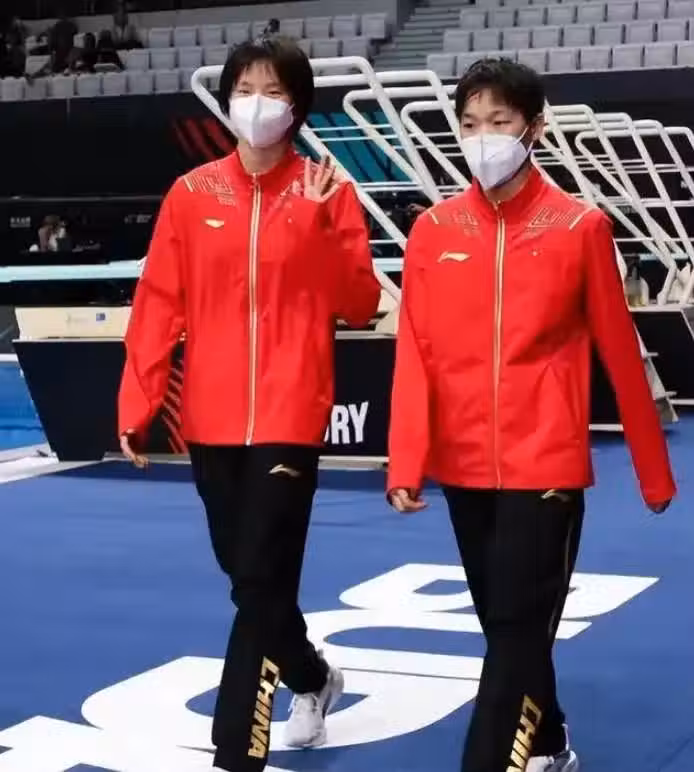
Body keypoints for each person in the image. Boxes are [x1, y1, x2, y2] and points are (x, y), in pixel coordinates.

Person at [386, 57, 676, 772]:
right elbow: (416, 353)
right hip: (463, 465)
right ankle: (548, 743)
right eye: (470, 124)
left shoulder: (580, 227)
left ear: (534, 128)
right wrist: (406, 459)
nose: (483, 138)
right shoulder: (433, 230)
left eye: (500, 122)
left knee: (517, 630)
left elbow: (619, 351)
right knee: (504, 627)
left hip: (546, 465)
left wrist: (653, 472)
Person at [117, 36, 381, 772]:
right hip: (211, 416)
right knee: (248, 578)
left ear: (297, 106)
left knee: (261, 575)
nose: (256, 103)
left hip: (292, 413)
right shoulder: (191, 193)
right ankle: (312, 676)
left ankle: (236, 751)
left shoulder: (328, 190)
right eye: (244, 88)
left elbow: (360, 304)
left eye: (273, 90)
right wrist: (139, 401)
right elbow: (159, 303)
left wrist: (324, 228)